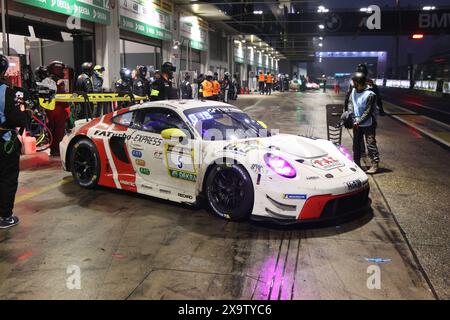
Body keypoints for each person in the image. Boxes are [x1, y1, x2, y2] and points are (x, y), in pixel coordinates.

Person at [0, 54, 31, 229]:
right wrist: (27, 113)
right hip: (4, 141)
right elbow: (15, 119)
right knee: (7, 178)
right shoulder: (6, 91)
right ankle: (5, 216)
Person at [348, 71, 380, 174]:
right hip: (356, 121)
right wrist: (352, 117)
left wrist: (359, 121)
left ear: (359, 82)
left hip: (368, 123)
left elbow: (368, 111)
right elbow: (350, 104)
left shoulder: (370, 94)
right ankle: (356, 163)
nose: (353, 83)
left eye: (354, 82)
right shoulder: (353, 91)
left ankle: (375, 164)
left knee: (370, 143)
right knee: (356, 144)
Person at [45, 61, 68, 156]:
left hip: (49, 109)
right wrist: (67, 108)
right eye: (62, 70)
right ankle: (56, 150)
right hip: (58, 109)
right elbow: (63, 97)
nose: (64, 72)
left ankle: (54, 149)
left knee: (51, 129)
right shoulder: (59, 82)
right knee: (58, 130)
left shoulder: (46, 81)